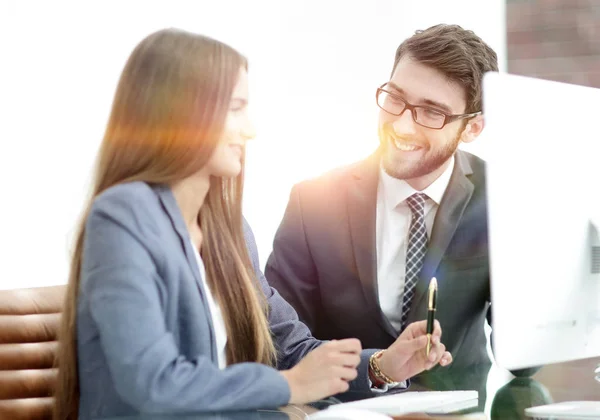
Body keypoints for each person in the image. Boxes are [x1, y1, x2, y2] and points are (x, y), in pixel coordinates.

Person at [52, 28, 453, 420]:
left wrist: (382, 366)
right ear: (180, 112)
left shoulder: (229, 231)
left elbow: (290, 348)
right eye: (236, 107)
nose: (250, 130)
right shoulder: (123, 216)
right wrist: (290, 387)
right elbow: (152, 382)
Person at [265, 24, 505, 380]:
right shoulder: (312, 202)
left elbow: (524, 355)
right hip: (343, 410)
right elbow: (275, 342)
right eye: (395, 98)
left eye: (432, 112)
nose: (402, 126)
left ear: (472, 128)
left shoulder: (502, 198)